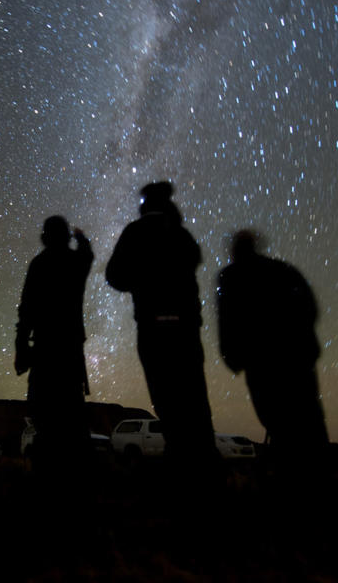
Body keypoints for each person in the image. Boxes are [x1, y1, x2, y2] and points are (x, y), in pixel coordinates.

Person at [106, 181, 220, 466]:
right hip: (186, 330)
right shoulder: (182, 235)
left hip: (153, 328)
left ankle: (182, 471)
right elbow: (193, 262)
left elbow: (114, 276)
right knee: (194, 401)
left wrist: (141, 283)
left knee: (167, 402)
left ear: (145, 205)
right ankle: (206, 474)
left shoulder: (135, 232)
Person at [215, 229, 329, 458]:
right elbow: (310, 308)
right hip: (299, 360)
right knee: (310, 423)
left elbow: (227, 321)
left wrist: (234, 358)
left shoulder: (231, 277)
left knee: (278, 424)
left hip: (262, 364)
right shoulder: (285, 271)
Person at [15, 216, 93, 464]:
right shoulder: (76, 263)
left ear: (45, 236)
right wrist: (80, 237)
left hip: (45, 350)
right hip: (70, 350)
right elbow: (88, 255)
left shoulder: (39, 264)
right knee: (72, 414)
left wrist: (20, 345)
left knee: (43, 414)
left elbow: (26, 309)